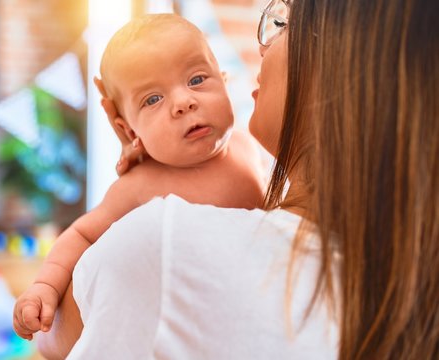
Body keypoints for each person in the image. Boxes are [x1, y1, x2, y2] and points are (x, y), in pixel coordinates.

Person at [37, 0, 438, 358]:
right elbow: (83, 235)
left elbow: (51, 337)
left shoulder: (166, 244)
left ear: (343, 62)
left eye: (285, 22)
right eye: (152, 99)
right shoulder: (405, 281)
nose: (263, 44)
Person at [13, 14, 268, 340]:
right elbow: (82, 235)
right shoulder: (139, 186)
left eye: (197, 79)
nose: (183, 102)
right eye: (152, 99)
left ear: (224, 78)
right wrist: (45, 286)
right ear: (128, 129)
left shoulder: (248, 147)